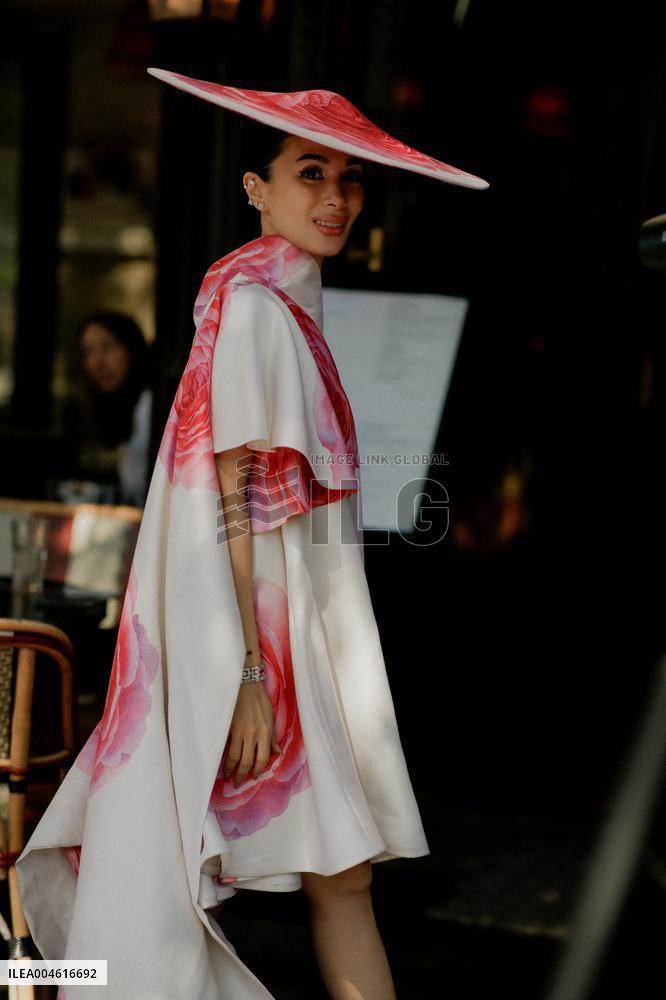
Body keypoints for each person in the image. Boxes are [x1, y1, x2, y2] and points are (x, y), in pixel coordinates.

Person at [17, 72, 488, 1000]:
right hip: (261, 640)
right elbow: (226, 491)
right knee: (259, 871)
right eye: (309, 172)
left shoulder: (286, 307)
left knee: (340, 875)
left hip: (297, 626)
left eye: (350, 179)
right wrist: (245, 672)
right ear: (255, 189)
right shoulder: (252, 309)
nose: (335, 198)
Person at [73, 309, 153, 506]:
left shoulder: (151, 406)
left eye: (107, 347)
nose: (96, 363)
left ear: (131, 350)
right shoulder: (119, 407)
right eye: (88, 352)